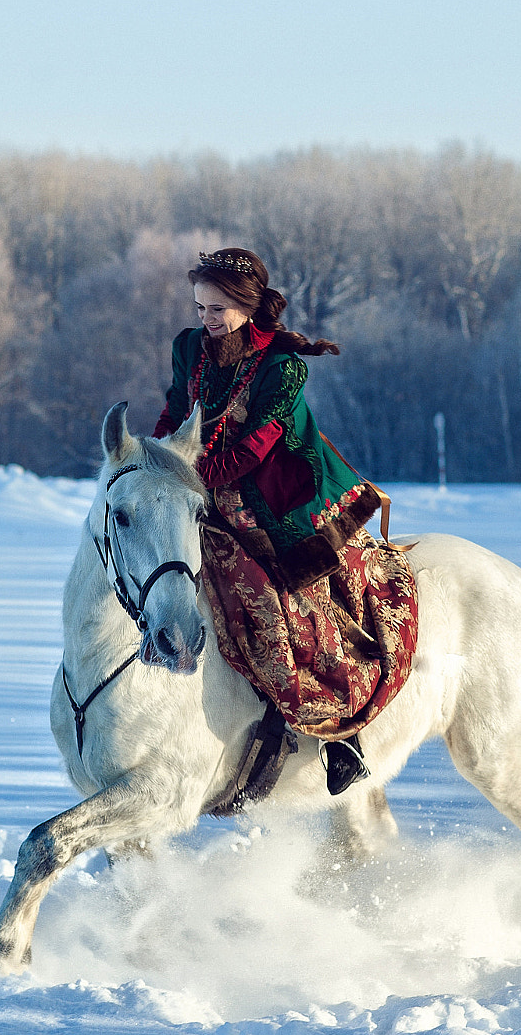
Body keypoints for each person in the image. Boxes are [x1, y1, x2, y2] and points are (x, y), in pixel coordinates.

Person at [152, 247, 418, 795]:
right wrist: (158, 454)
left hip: (278, 493)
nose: (207, 319)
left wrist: (194, 469)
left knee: (294, 590)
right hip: (202, 480)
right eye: (200, 307)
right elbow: (177, 409)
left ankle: (337, 732)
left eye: (218, 309)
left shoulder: (282, 365)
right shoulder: (189, 348)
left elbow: (257, 447)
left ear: (247, 306)